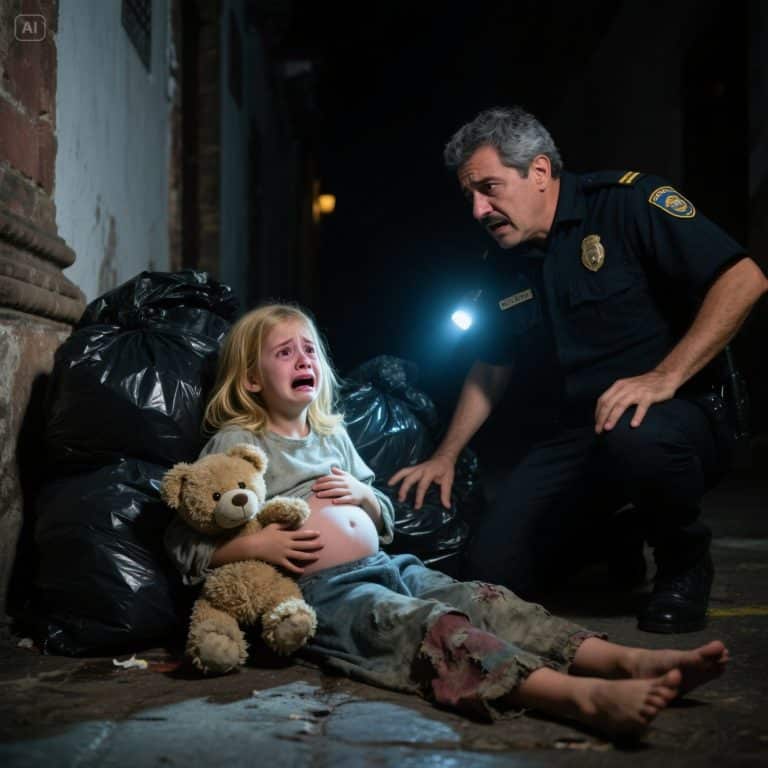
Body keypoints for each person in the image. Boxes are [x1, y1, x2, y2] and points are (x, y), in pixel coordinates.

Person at [164, 302, 729, 738]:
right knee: (434, 628)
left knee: (487, 598)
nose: (303, 360)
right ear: (252, 380)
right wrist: (257, 547)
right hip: (322, 595)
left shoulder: (332, 434)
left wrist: (364, 494)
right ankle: (575, 698)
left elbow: (382, 516)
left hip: (389, 563)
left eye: (308, 349)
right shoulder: (238, 440)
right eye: (283, 352)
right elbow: (189, 544)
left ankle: (626, 660)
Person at [389, 106, 768, 633]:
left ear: (539, 172)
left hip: (677, 417)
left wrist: (665, 376)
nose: (479, 209)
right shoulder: (503, 259)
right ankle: (615, 532)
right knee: (494, 571)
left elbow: (744, 279)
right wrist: (446, 455)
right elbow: (492, 365)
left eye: (491, 188)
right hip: (580, 433)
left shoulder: (628, 204)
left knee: (636, 436)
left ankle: (684, 563)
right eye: (470, 195)